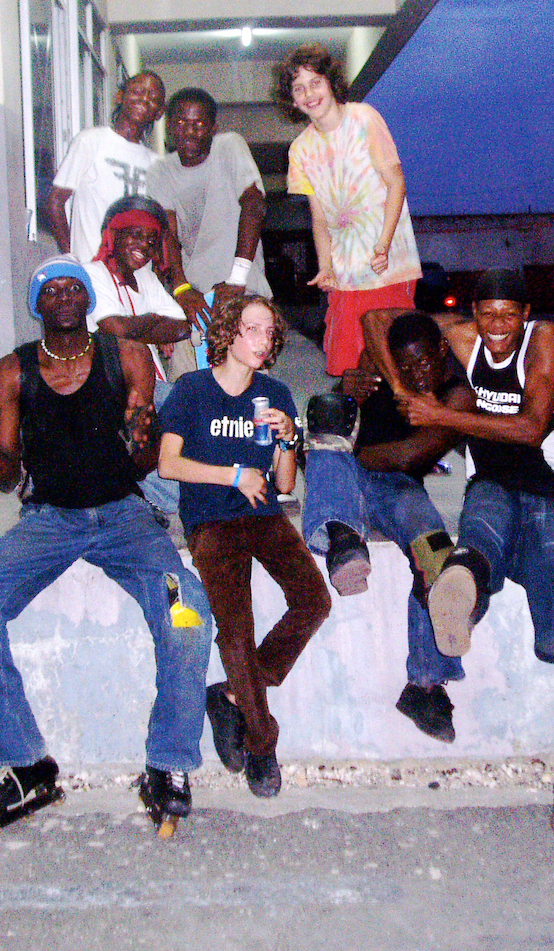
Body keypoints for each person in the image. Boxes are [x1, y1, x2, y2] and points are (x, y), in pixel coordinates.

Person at [0, 255, 212, 829]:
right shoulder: (10, 372)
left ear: (88, 300)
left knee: (185, 609)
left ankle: (168, 765)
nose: (63, 296)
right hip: (48, 521)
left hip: (124, 518)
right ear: (37, 305)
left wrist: (144, 437)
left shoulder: (129, 357)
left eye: (74, 288)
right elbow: (6, 475)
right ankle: (27, 769)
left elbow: (143, 462)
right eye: (51, 289)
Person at [363, 269, 554, 819]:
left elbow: (530, 426)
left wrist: (442, 415)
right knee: (474, 542)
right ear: (472, 314)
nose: (497, 327)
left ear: (526, 312)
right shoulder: (466, 336)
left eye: (509, 314)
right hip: (492, 486)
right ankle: (464, 595)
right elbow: (376, 318)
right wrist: (402, 394)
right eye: (486, 314)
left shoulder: (547, 339)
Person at [157, 295, 331, 798]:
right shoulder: (191, 390)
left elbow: (285, 483)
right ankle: (262, 743)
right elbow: (169, 465)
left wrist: (287, 441)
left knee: (314, 601)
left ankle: (233, 691)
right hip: (212, 522)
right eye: (252, 329)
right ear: (228, 333)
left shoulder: (276, 392)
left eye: (269, 332)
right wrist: (232, 475)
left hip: (265, 516)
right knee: (236, 631)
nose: (261, 341)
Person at [302, 311, 476, 743]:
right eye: (406, 365)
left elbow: (414, 455)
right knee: (324, 414)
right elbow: (335, 414)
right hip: (345, 476)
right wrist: (348, 388)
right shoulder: (383, 368)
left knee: (436, 554)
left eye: (423, 362)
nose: (416, 374)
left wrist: (352, 456)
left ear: (442, 350)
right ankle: (344, 540)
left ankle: (425, 684)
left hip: (394, 484)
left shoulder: (458, 396)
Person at [274, 43, 422, 377]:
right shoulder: (300, 150)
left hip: (388, 266)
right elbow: (319, 216)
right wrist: (325, 267)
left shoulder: (364, 118)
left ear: (330, 82)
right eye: (299, 88)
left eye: (315, 83)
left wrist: (383, 245)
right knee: (346, 366)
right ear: (292, 100)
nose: (309, 94)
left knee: (394, 364)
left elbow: (396, 183)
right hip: (345, 273)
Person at [83, 195, 192, 517]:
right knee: (177, 492)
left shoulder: (145, 277)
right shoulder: (91, 273)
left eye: (151, 239)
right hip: (120, 394)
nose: (143, 245)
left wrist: (135, 329)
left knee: (199, 406)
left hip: (157, 388)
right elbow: (113, 327)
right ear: (112, 235)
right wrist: (153, 326)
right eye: (135, 234)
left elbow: (181, 326)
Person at [149, 87, 271, 333]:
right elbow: (167, 234)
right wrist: (181, 289)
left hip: (243, 289)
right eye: (182, 122)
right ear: (169, 126)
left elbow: (254, 205)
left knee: (248, 368)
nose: (190, 132)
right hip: (194, 297)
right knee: (189, 372)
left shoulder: (229, 147)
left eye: (199, 123)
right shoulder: (160, 171)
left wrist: (237, 279)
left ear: (213, 129)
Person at [46, 71, 166, 261]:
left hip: (136, 275)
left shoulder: (157, 163)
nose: (144, 99)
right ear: (120, 96)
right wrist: (73, 259)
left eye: (153, 98)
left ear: (159, 112)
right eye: (137, 91)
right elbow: (55, 202)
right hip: (93, 269)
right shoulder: (90, 141)